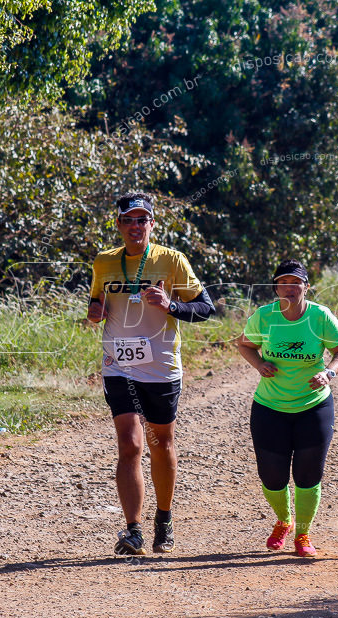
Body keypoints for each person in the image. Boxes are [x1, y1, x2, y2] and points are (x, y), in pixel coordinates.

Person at [87, 192, 217, 556]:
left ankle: (164, 518)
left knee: (162, 443)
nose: (135, 226)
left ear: (152, 225)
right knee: (130, 444)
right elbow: (96, 303)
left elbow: (206, 308)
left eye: (142, 220)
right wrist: (95, 312)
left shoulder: (172, 261)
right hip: (118, 364)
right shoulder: (104, 261)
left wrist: (170, 305)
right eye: (128, 220)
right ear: (119, 225)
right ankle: (133, 530)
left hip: (160, 368)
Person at [237, 260, 338, 557]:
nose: (289, 287)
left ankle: (303, 533)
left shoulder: (319, 316)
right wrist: (259, 363)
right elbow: (245, 345)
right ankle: (283, 520)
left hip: (313, 406)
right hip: (269, 406)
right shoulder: (264, 316)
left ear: (306, 286)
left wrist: (329, 373)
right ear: (275, 287)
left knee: (308, 473)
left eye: (295, 282)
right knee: (272, 476)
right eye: (283, 282)